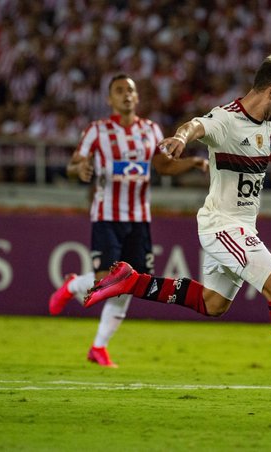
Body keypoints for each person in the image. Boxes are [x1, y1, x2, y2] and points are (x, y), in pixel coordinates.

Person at [83, 55, 271, 398]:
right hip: (222, 226)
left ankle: (131, 281)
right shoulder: (226, 119)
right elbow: (197, 125)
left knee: (213, 304)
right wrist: (180, 139)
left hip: (242, 227)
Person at [48, 73, 208, 367]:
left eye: (130, 90)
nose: (125, 95)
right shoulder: (97, 131)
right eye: (118, 91)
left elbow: (163, 166)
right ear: (109, 99)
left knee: (132, 283)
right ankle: (72, 286)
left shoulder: (150, 130)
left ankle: (98, 347)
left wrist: (193, 162)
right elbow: (74, 164)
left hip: (139, 218)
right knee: (105, 279)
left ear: (137, 97)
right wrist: (79, 171)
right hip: (107, 215)